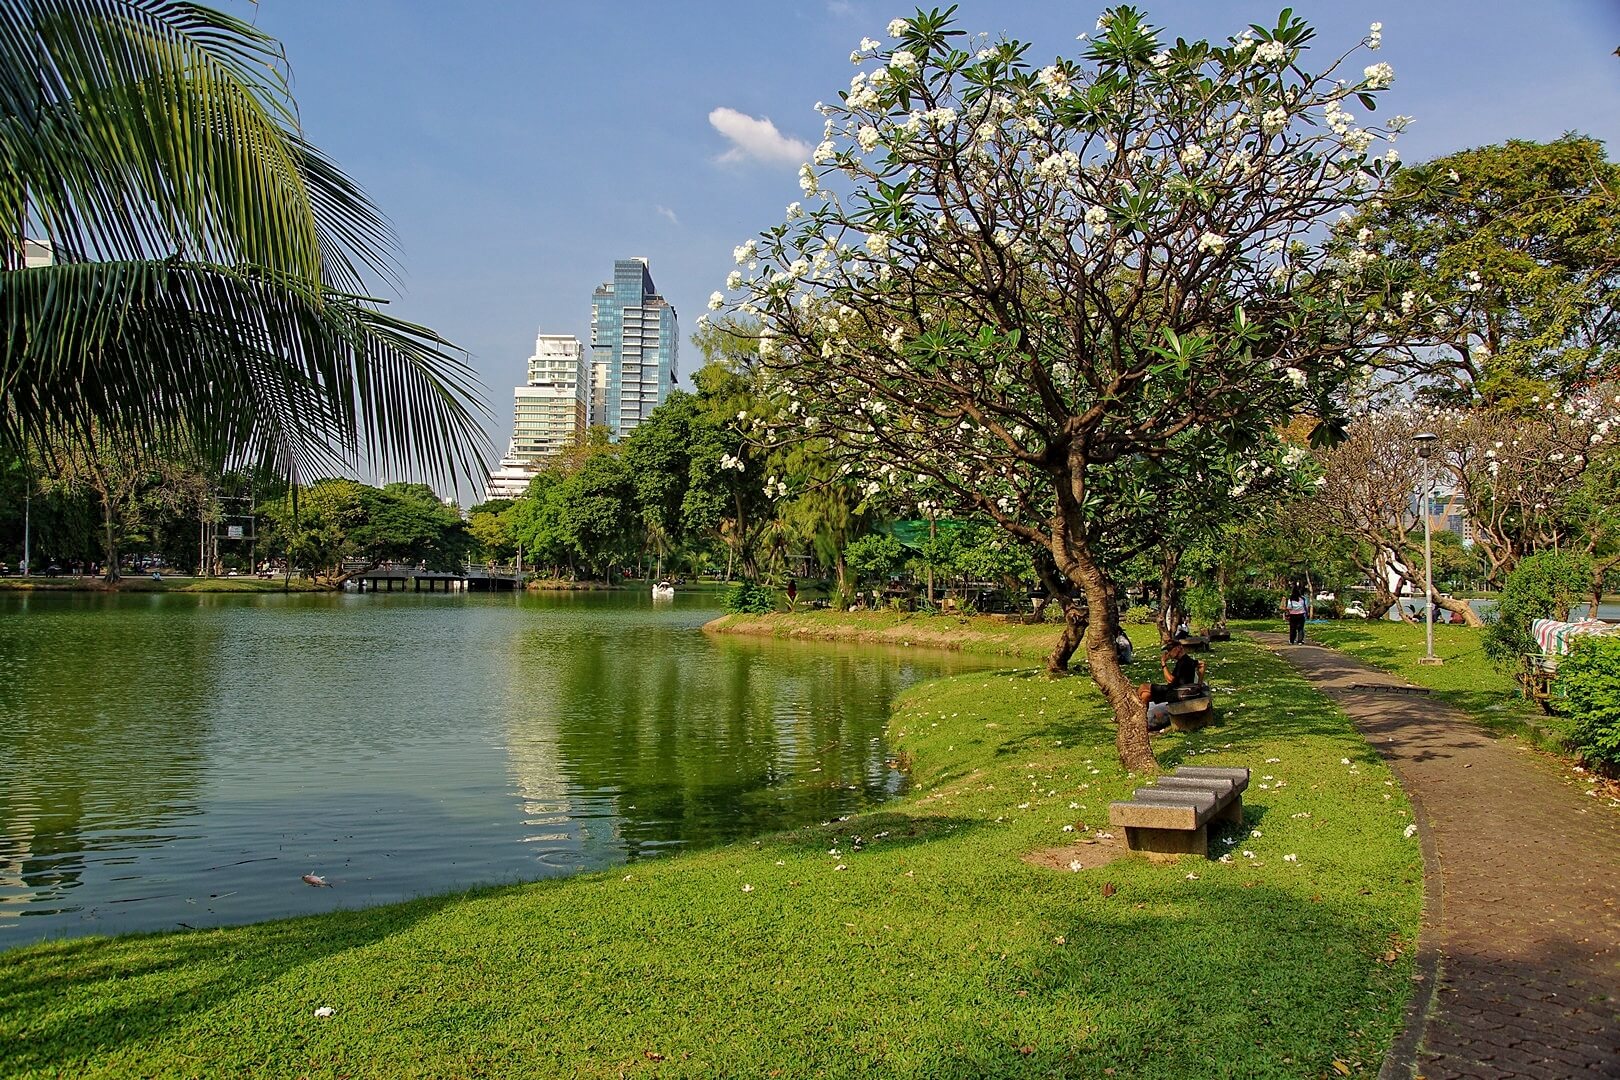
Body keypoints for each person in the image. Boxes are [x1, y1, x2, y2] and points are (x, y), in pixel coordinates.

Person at [1137, 639, 1206, 733]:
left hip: (1177, 693)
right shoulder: (1186, 660)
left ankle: (1133, 718)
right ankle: (1142, 724)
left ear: (1179, 648)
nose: (1168, 653)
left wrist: (1163, 663)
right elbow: (1202, 664)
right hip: (1178, 691)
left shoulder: (1183, 662)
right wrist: (1199, 684)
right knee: (1145, 695)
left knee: (1143, 687)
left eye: (1170, 649)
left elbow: (1170, 680)